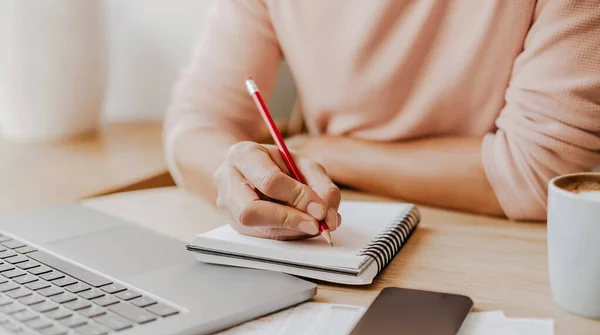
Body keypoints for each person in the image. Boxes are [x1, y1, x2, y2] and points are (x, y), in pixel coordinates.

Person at [164, 0, 600, 241]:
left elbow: (545, 173)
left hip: (499, 243)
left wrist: (325, 151)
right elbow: (195, 123)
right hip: (338, 239)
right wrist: (236, 177)